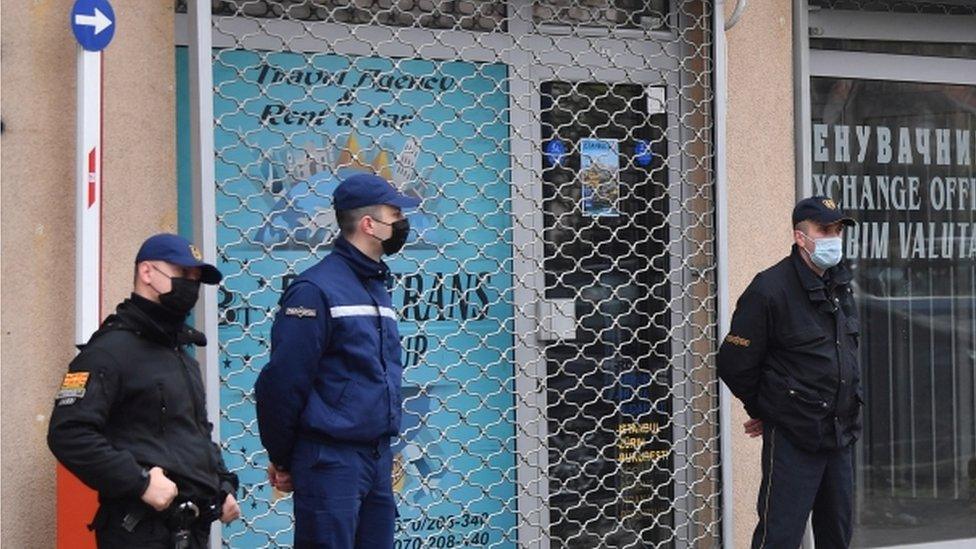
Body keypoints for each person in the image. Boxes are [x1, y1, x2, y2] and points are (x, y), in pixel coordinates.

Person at [255, 172, 419, 548]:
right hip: (330, 461)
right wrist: (283, 458)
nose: (402, 225)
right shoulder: (315, 290)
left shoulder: (374, 285)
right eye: (395, 216)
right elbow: (283, 381)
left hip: (375, 458)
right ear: (368, 225)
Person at [48, 233, 240, 548]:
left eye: (195, 278)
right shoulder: (109, 352)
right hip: (137, 531)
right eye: (182, 274)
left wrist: (221, 484)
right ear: (147, 273)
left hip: (189, 532)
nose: (190, 285)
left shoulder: (181, 354)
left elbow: (193, 433)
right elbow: (68, 433)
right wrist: (140, 482)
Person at [718, 196, 862, 549]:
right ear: (801, 238)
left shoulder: (839, 284)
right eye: (825, 230)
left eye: (838, 230)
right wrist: (767, 408)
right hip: (795, 438)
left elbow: (843, 354)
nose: (834, 237)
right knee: (779, 538)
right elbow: (735, 363)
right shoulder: (770, 288)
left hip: (840, 435)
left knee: (837, 537)